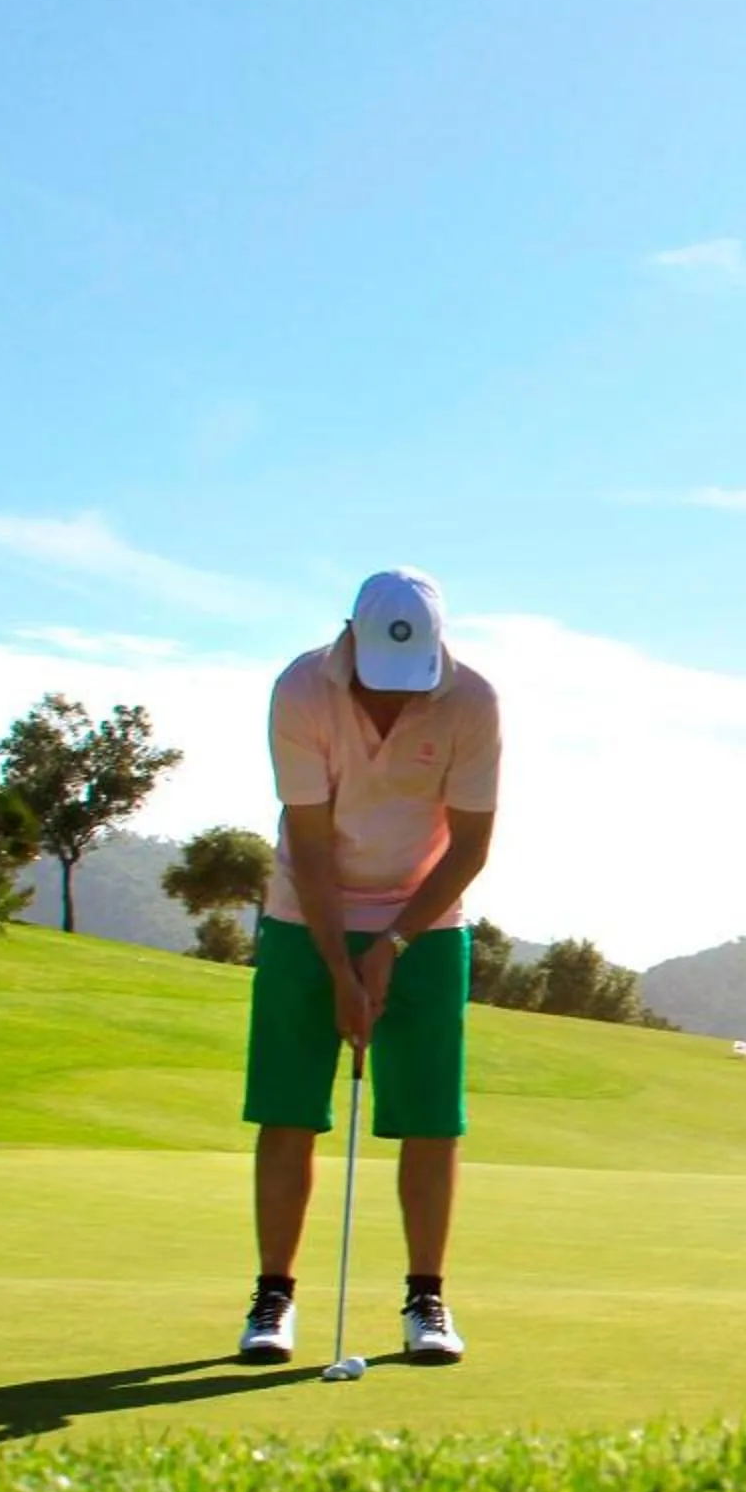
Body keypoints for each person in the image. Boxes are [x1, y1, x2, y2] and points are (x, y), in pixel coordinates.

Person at [235, 568, 500, 1366]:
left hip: (425, 917)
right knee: (288, 1109)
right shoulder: (301, 690)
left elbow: (471, 847)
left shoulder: (474, 702)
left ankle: (427, 1298)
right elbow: (309, 846)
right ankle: (273, 1298)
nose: (390, 703)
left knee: (430, 1118)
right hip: (303, 912)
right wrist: (339, 965)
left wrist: (391, 948)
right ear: (348, 635)